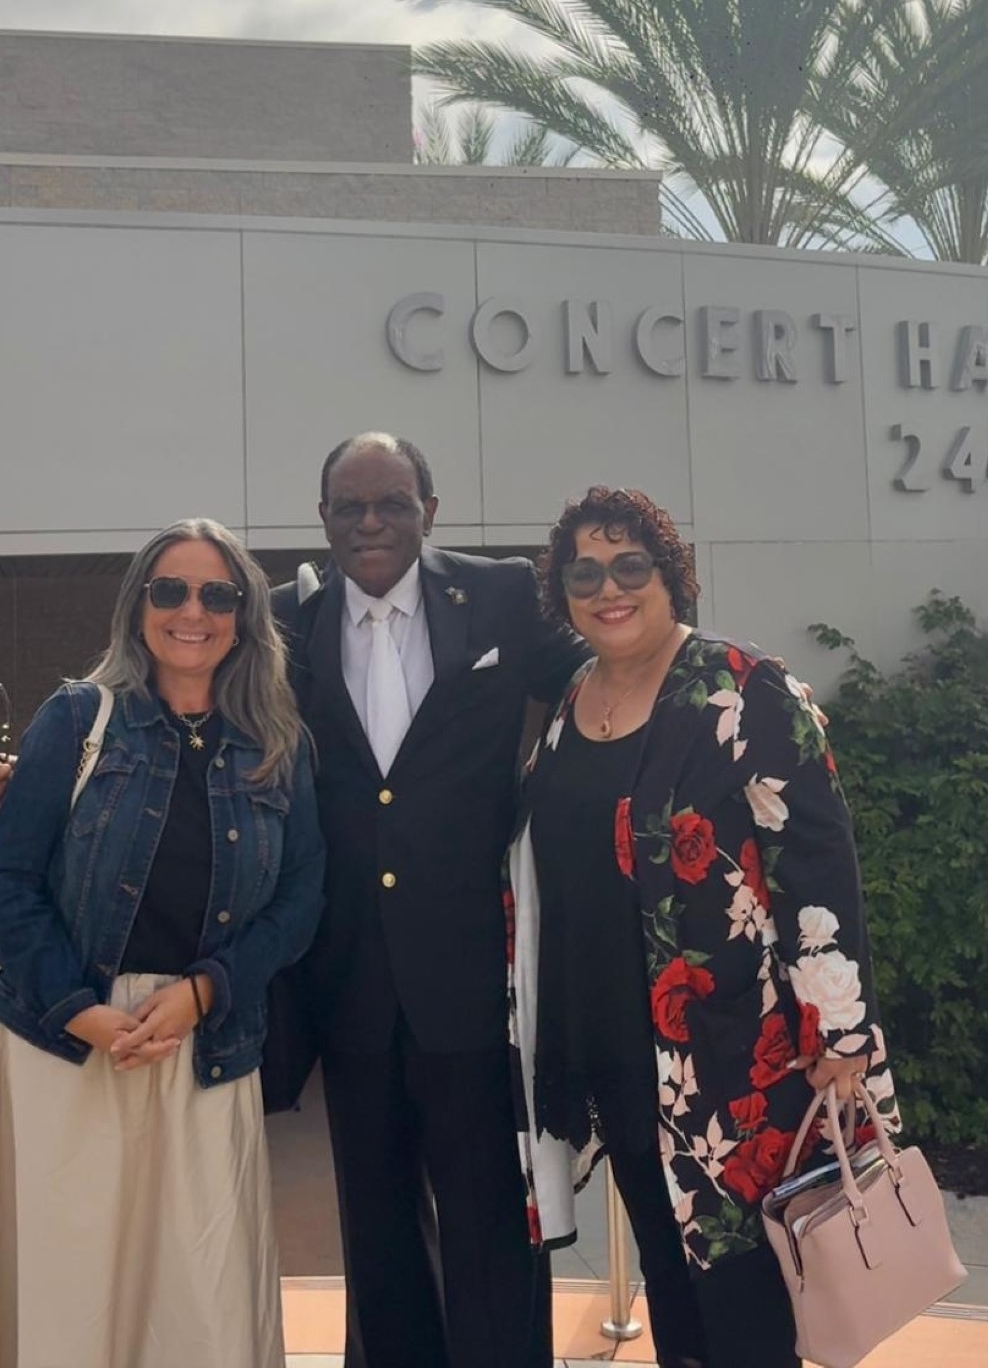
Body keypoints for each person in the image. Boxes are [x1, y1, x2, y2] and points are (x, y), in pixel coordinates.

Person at [0, 518, 324, 1368]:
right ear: (138, 604)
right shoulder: (76, 718)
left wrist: (204, 990)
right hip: (66, 1046)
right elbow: (12, 883)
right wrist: (82, 1011)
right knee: (69, 1293)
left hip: (202, 1044)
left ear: (245, 616)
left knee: (196, 1303)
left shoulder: (277, 744)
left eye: (218, 594)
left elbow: (298, 902)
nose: (192, 611)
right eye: (169, 589)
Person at [509, 486, 897, 1368]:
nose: (609, 588)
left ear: (669, 573)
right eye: (583, 573)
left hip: (741, 1062)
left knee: (747, 1307)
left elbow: (817, 866)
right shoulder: (572, 699)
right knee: (673, 1289)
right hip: (621, 1057)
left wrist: (841, 1035)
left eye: (629, 565)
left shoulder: (743, 688)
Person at [273, 432, 583, 1368]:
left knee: (493, 1224)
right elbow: (182, 695)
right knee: (377, 1233)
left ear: (430, 511)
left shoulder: (499, 595)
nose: (369, 522)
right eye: (349, 506)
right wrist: (53, 760)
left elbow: (604, 667)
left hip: (473, 979)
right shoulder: (284, 620)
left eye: (392, 503)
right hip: (349, 982)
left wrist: (724, 695)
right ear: (322, 516)